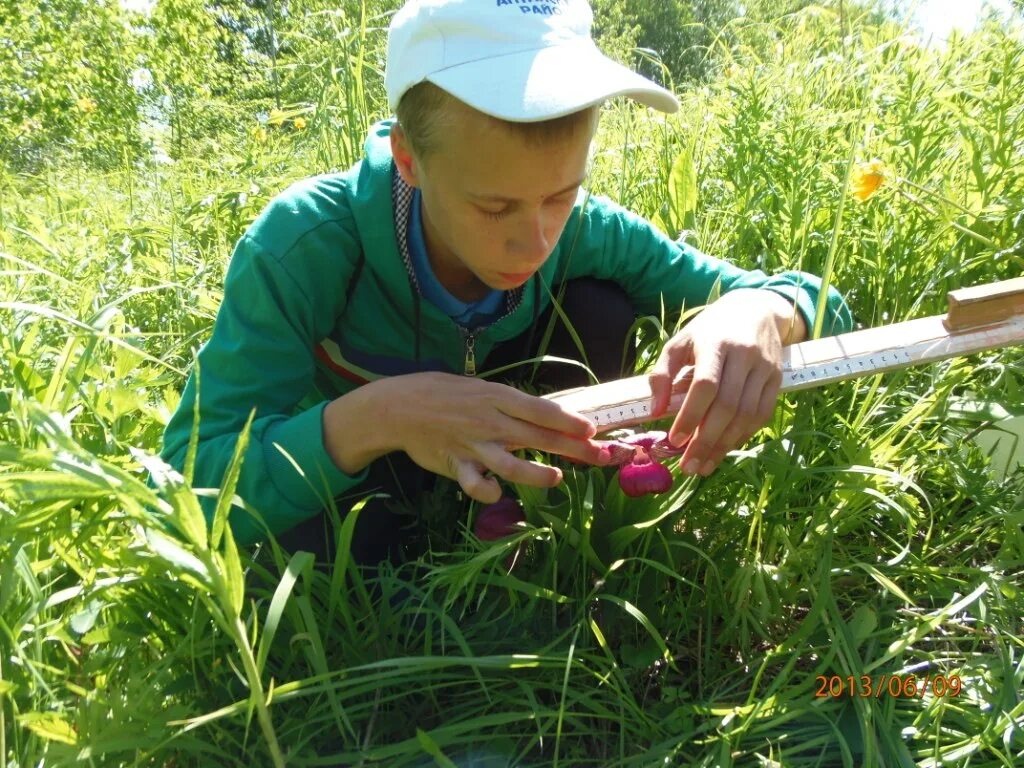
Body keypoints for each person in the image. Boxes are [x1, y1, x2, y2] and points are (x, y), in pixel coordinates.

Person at [154, 0, 854, 565]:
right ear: (409, 158)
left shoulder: (583, 230)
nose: (536, 239)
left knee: (598, 304)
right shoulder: (305, 244)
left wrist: (764, 310)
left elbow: (825, 306)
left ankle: (541, 528)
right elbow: (187, 481)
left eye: (561, 194)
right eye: (493, 207)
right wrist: (383, 416)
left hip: (526, 471)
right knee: (328, 547)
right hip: (361, 475)